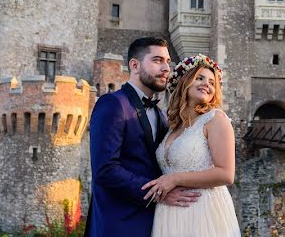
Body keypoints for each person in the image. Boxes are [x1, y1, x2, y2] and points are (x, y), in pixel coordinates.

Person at [86, 37, 200, 236]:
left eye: (168, 61)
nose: (166, 68)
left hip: (157, 224)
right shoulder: (113, 104)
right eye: (157, 60)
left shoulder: (161, 115)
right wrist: (158, 194)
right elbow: (106, 170)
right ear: (135, 65)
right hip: (119, 225)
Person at [144, 54, 241, 236]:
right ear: (184, 82)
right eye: (200, 78)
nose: (207, 84)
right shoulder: (172, 127)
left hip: (203, 212)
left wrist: (175, 179)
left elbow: (226, 174)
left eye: (212, 82)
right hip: (168, 214)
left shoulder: (215, 119)